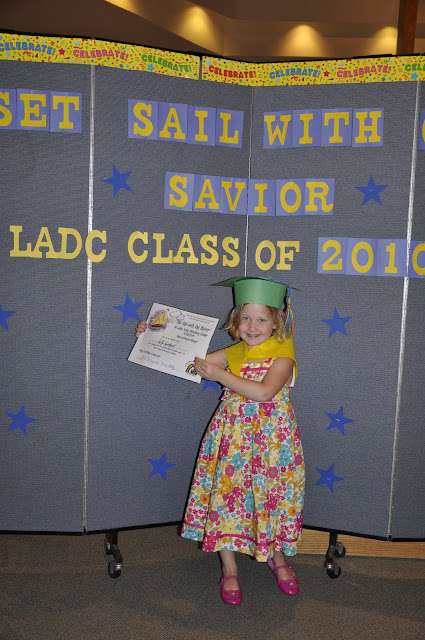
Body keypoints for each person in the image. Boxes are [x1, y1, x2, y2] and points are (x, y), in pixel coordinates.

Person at [135, 276, 304, 605]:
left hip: (273, 446)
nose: (252, 326)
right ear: (236, 321)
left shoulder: (283, 354)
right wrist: (151, 336)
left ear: (276, 322)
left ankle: (276, 556)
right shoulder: (235, 352)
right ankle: (229, 566)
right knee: (227, 496)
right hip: (232, 439)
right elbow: (188, 362)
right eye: (246, 318)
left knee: (270, 498)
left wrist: (221, 375)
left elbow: (264, 392)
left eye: (261, 319)